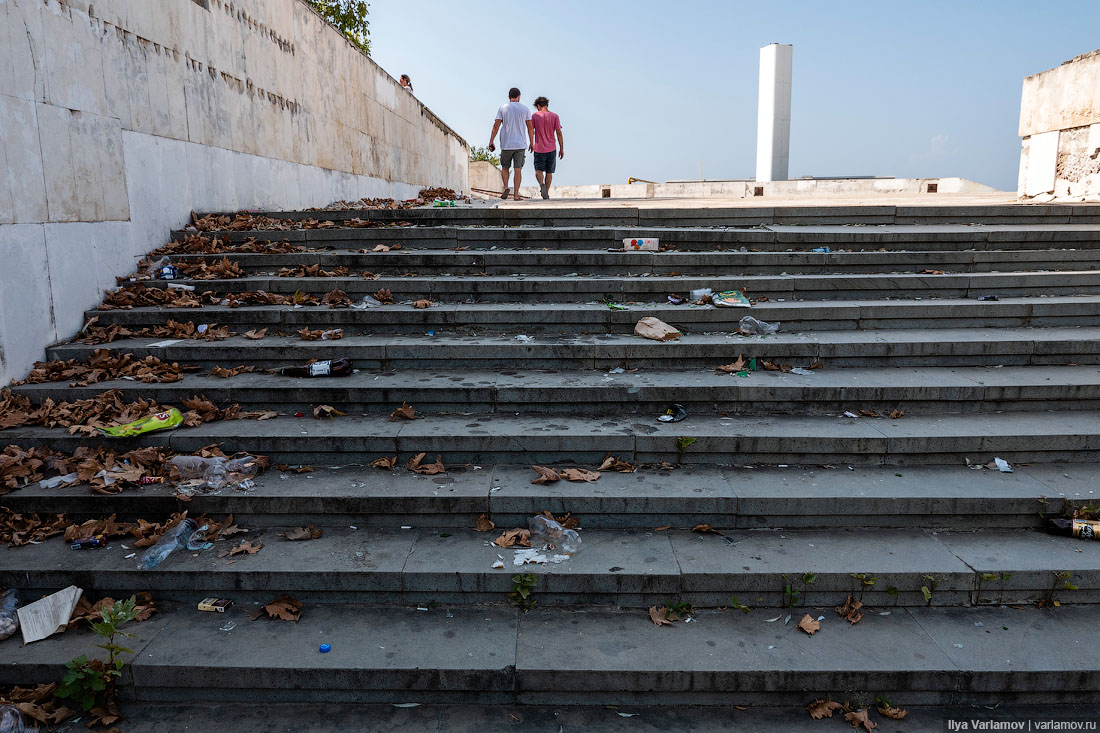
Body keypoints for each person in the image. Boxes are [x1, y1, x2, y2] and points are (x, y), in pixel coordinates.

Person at [488, 87, 533, 201]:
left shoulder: (503, 108)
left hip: (506, 143)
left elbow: (496, 125)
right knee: (518, 169)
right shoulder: (525, 109)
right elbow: (530, 127)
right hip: (520, 145)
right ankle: (516, 195)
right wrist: (532, 142)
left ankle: (506, 187)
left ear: (509, 97)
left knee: (505, 168)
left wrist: (491, 140)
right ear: (519, 97)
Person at [531, 96, 564, 199]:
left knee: (538, 170)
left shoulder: (535, 116)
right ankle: (547, 193)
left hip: (539, 148)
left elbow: (531, 131)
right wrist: (562, 148)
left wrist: (531, 143)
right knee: (549, 172)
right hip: (552, 148)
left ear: (538, 106)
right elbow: (559, 133)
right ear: (547, 105)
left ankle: (542, 185)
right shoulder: (555, 116)